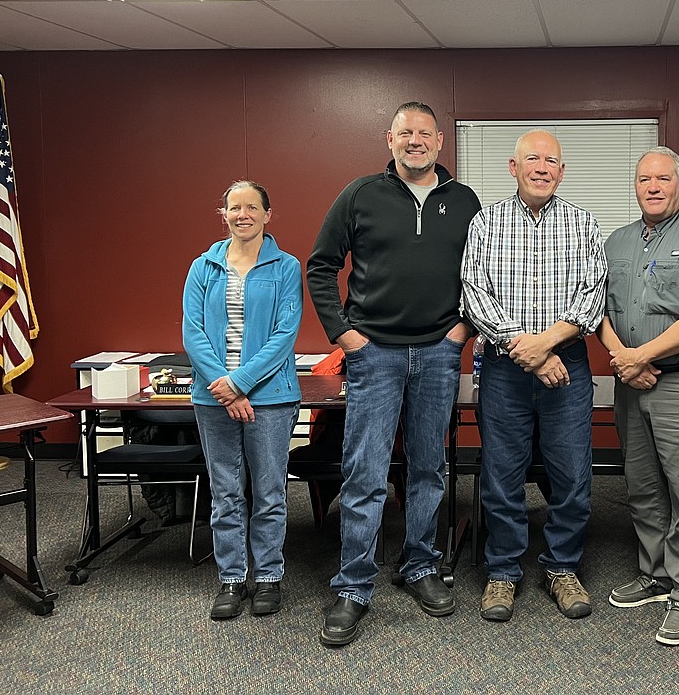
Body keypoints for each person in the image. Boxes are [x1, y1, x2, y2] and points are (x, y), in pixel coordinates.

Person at [307, 101, 480, 648]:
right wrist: (344, 334)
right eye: (405, 133)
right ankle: (354, 585)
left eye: (424, 134)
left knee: (429, 467)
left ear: (438, 143)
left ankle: (420, 565)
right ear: (389, 139)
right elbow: (320, 265)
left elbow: (486, 273)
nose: (415, 141)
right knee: (365, 472)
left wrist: (462, 329)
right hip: (374, 353)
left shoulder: (465, 201)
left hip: (437, 352)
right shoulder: (359, 195)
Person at [460, 129, 607, 624]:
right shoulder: (486, 223)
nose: (542, 167)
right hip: (505, 367)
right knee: (502, 474)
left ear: (562, 171)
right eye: (532, 159)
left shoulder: (583, 224)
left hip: (568, 363)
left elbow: (592, 296)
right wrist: (525, 349)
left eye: (552, 161)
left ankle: (561, 566)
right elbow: (473, 292)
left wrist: (544, 346)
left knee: (571, 472)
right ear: (513, 167)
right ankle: (502, 571)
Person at [596, 146, 679, 647]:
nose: (652, 186)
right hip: (631, 383)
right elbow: (598, 310)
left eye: (662, 178)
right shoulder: (616, 242)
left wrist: (640, 357)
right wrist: (624, 360)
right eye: (643, 179)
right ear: (635, 187)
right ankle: (654, 574)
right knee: (643, 486)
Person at [182, 180, 303, 621]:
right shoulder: (203, 267)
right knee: (226, 492)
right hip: (213, 398)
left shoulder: (286, 266)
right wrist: (223, 384)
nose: (243, 214)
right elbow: (192, 333)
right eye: (234, 208)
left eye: (252, 207)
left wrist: (241, 384)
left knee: (269, 492)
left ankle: (268, 577)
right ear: (224, 214)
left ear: (268, 214)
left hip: (270, 398)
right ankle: (232, 579)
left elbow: (283, 335)